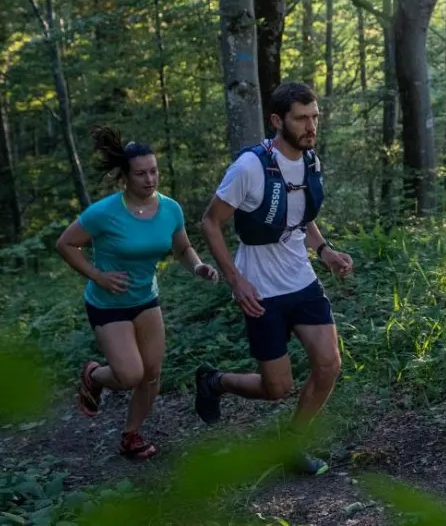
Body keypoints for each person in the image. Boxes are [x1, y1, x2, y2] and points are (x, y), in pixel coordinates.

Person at [195, 81, 353, 476]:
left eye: (314, 116)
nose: (311, 126)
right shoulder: (249, 166)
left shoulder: (311, 161)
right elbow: (210, 222)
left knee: (329, 365)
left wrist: (325, 251)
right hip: (260, 288)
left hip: (301, 280)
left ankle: (293, 444)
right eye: (301, 118)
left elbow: (302, 216)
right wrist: (235, 279)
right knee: (276, 388)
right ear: (277, 120)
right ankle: (215, 382)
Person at [55, 126, 218, 459]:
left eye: (154, 171)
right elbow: (66, 244)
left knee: (152, 373)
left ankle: (131, 435)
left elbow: (183, 247)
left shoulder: (170, 209)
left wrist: (198, 266)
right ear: (125, 178)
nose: (150, 179)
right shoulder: (104, 213)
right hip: (108, 304)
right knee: (130, 374)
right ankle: (94, 375)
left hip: (146, 300)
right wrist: (98, 276)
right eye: (141, 173)